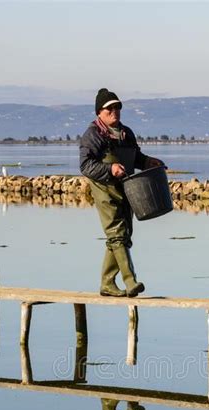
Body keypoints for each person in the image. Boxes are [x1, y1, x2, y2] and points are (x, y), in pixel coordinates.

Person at [80, 88, 165, 297]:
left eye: (117, 107)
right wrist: (110, 169)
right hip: (104, 189)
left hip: (127, 188)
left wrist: (147, 162)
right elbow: (85, 165)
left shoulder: (126, 133)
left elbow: (135, 157)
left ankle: (107, 283)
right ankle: (131, 281)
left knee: (124, 235)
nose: (115, 111)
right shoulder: (93, 135)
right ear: (99, 111)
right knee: (116, 233)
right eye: (110, 108)